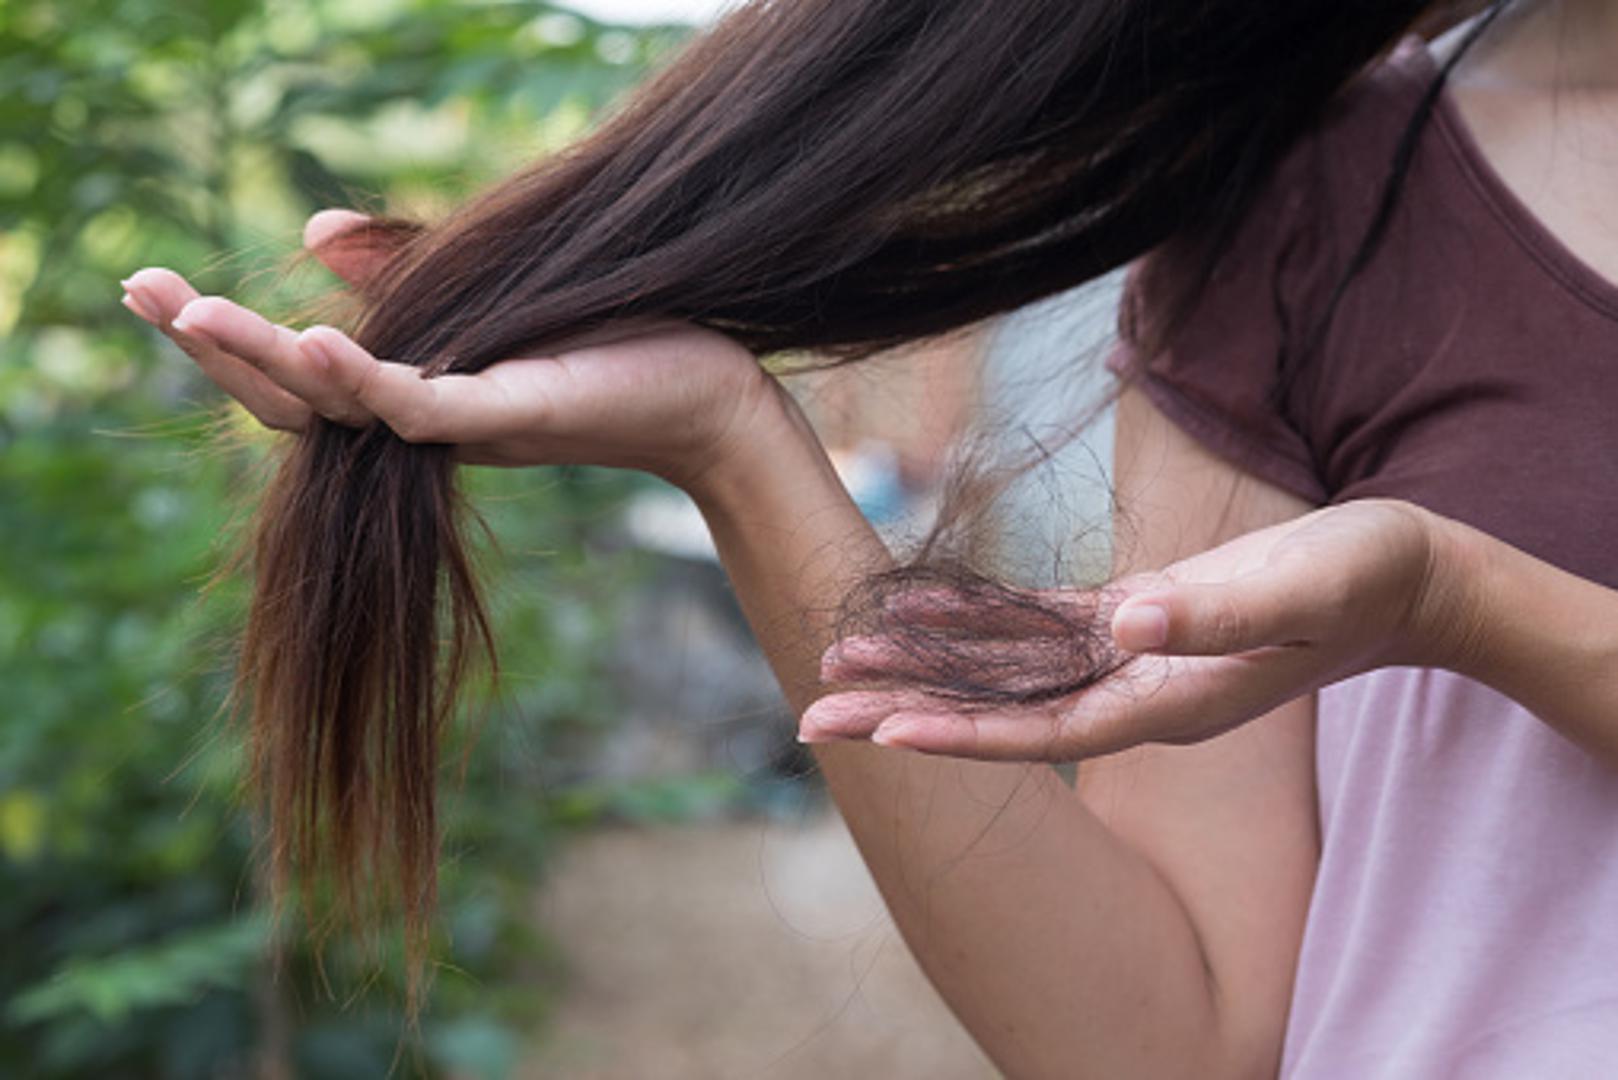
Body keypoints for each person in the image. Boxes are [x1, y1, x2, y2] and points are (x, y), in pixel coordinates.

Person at [119, 0, 1618, 1074]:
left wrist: (1464, 602)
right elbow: (1174, 1040)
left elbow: (1448, 600)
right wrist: (726, 439)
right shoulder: (1315, 200)